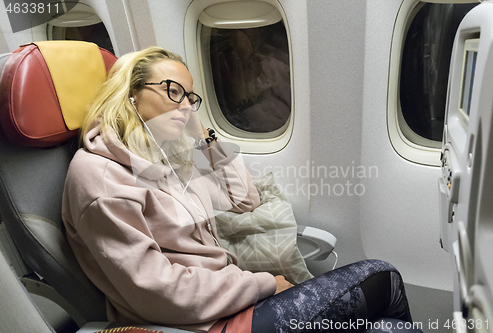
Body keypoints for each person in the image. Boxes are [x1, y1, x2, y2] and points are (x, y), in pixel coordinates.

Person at [62, 46, 422, 333]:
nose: (185, 105)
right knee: (382, 276)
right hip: (200, 322)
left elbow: (244, 200)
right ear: (130, 95)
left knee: (390, 329)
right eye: (173, 91)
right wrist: (262, 285)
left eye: (190, 97)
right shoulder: (101, 178)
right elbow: (156, 291)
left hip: (230, 300)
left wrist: (203, 135)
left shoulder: (169, 159)